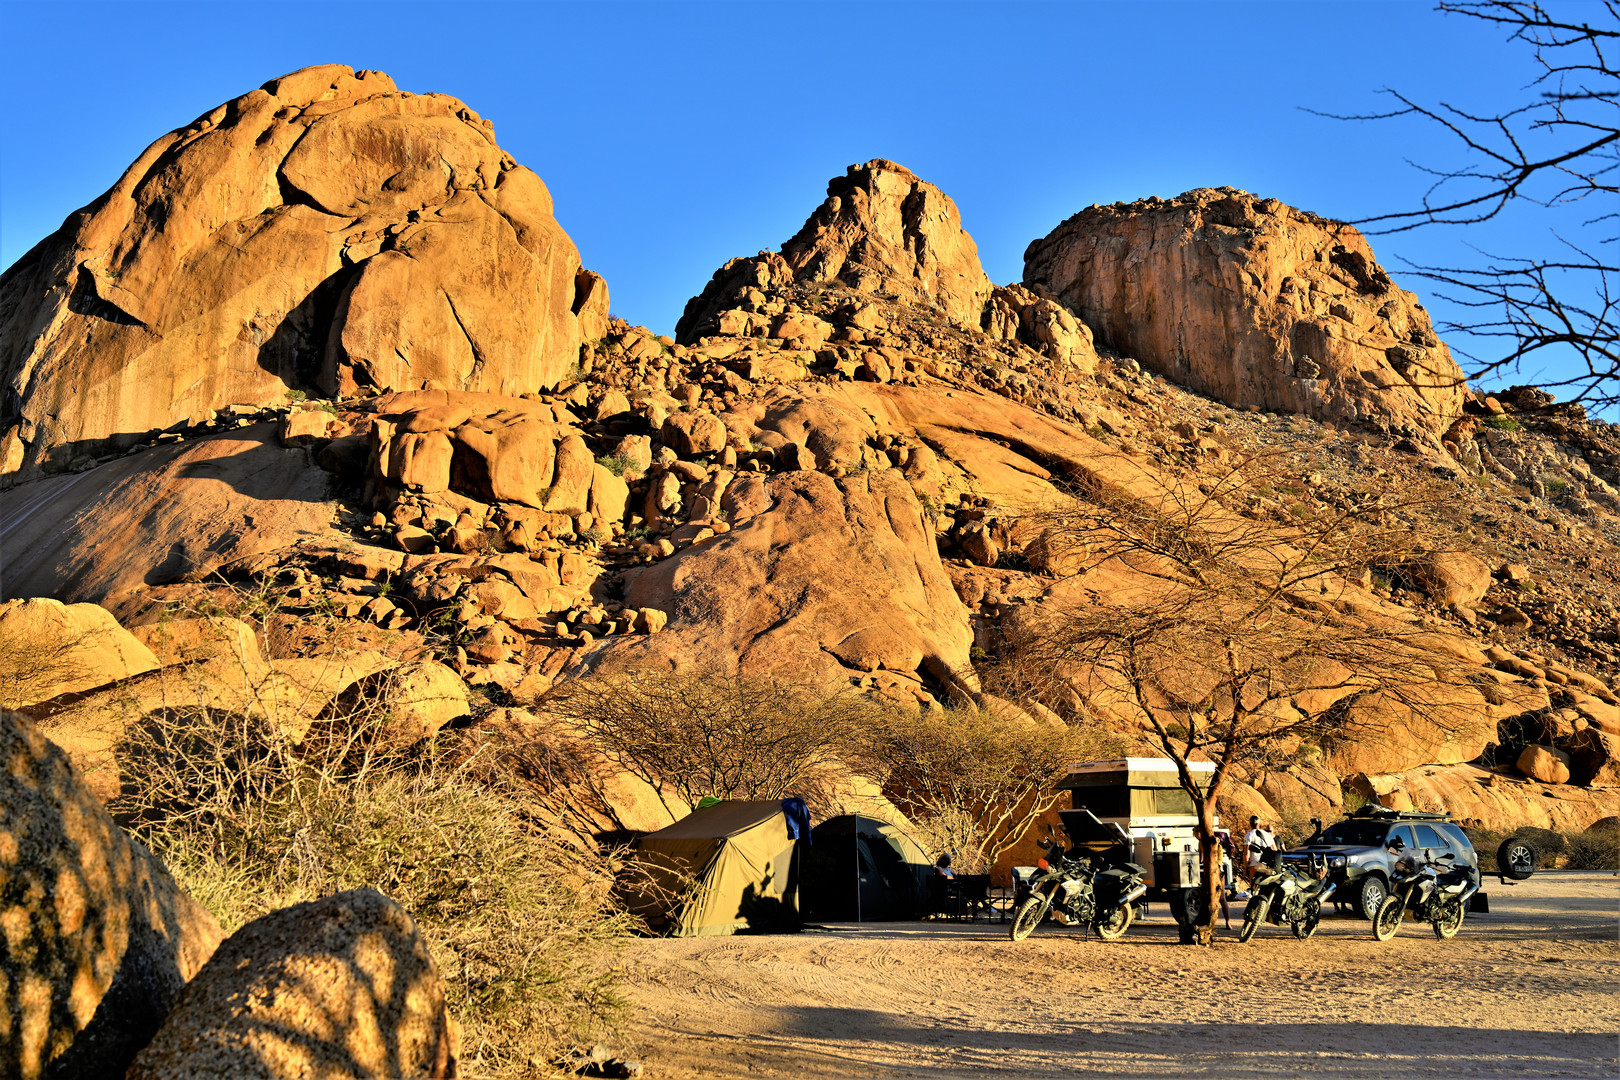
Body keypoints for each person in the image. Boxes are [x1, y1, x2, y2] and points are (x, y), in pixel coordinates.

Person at [1244, 816, 1278, 886]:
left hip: (1255, 863)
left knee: (1253, 886)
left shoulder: (1249, 835)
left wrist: (1245, 867)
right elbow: (1274, 849)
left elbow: (1246, 853)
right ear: (1260, 824)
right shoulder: (1268, 835)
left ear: (1250, 824)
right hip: (1267, 863)